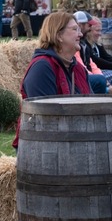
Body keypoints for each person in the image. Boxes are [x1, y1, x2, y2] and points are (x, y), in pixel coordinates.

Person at [12, 12, 91, 148]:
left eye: (79, 29)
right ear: (59, 35)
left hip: (73, 139)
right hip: (42, 147)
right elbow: (46, 117)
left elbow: (91, 104)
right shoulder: (42, 67)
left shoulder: (78, 68)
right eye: (74, 29)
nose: (80, 34)